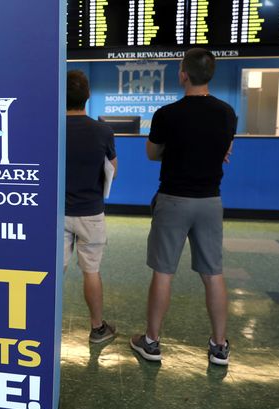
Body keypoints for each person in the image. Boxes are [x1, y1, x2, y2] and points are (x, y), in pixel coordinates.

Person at [130, 48, 237, 366]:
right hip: (210, 201)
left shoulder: (168, 114)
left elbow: (152, 153)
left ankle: (151, 343)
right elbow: (225, 150)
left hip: (174, 201)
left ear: (183, 74)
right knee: (213, 273)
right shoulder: (227, 113)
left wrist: (175, 150)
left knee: (163, 272)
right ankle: (219, 346)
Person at [65, 70, 119, 344]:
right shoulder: (103, 130)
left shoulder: (51, 129)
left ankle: (39, 324)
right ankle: (98, 328)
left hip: (57, 214)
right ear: (87, 96)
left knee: (50, 272)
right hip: (91, 213)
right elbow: (112, 170)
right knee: (91, 271)